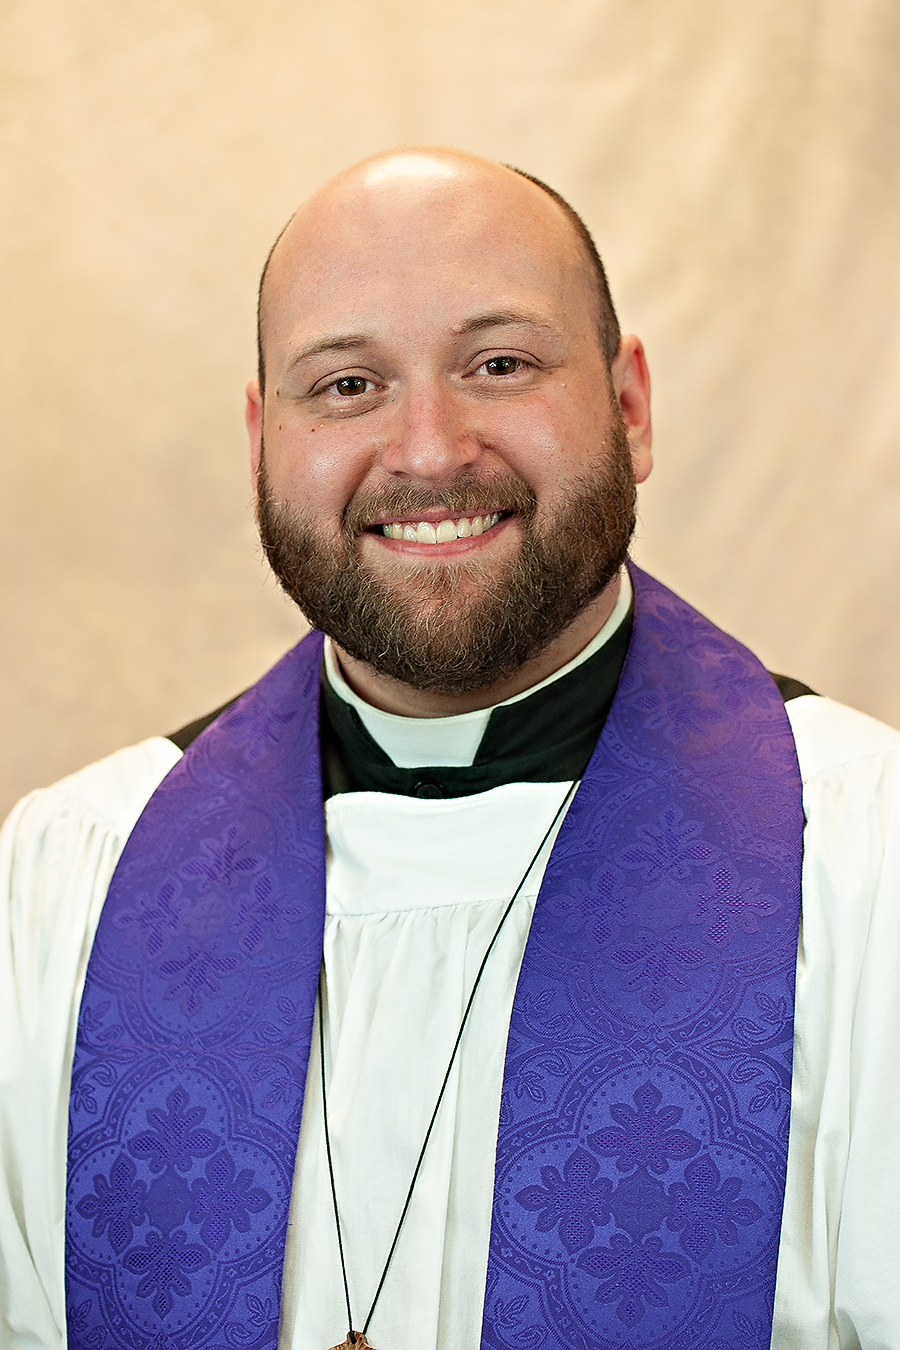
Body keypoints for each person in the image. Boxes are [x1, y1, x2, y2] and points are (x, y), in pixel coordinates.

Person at [1, 147, 899, 1350]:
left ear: (630, 409)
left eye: (500, 364)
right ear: (262, 438)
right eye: (346, 385)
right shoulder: (72, 880)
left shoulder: (857, 856)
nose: (428, 451)